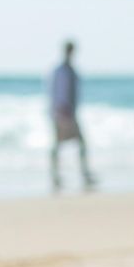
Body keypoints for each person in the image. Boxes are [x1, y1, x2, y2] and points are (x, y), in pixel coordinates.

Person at [48, 41, 95, 192]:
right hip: (64, 113)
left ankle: (76, 173)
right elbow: (60, 93)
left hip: (66, 112)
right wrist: (62, 112)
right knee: (64, 144)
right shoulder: (62, 71)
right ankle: (57, 175)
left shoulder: (67, 70)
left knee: (74, 144)